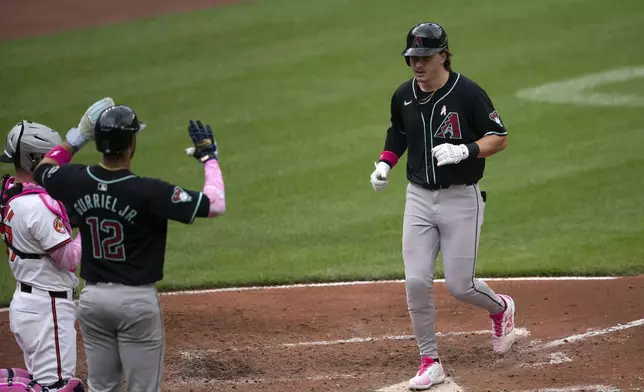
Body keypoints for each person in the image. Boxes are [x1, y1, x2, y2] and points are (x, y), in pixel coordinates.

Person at [31, 99, 227, 392]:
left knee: (102, 387)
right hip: (136, 303)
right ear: (131, 144)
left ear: (100, 143)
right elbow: (214, 204)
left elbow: (43, 169)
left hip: (93, 301)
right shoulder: (149, 191)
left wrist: (77, 137)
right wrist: (209, 159)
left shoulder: (76, 180)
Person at [369, 22, 516, 390]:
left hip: (461, 199)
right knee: (416, 281)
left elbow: (499, 138)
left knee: (460, 285)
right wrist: (386, 162)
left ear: (443, 55)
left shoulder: (468, 93)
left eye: (425, 56)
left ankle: (501, 308)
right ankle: (429, 360)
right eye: (412, 58)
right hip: (418, 198)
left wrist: (465, 149)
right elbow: (398, 131)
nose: (417, 64)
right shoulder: (403, 94)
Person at [0, 121, 84, 392]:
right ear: (33, 159)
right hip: (48, 310)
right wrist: (89, 227)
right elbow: (69, 259)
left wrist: (78, 137)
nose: (54, 163)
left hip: (29, 304)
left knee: (42, 382)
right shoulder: (37, 207)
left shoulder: (12, 193)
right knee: (59, 387)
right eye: (48, 157)